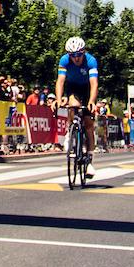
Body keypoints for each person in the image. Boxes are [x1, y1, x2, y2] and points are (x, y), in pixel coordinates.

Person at [54, 35, 99, 178]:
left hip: (87, 89)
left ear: (83, 52)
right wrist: (58, 99)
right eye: (72, 55)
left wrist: (92, 101)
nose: (76, 58)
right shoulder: (64, 60)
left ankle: (90, 161)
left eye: (79, 55)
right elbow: (60, 81)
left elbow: (94, 83)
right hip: (73, 87)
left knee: (89, 125)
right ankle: (70, 131)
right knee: (72, 105)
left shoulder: (91, 61)